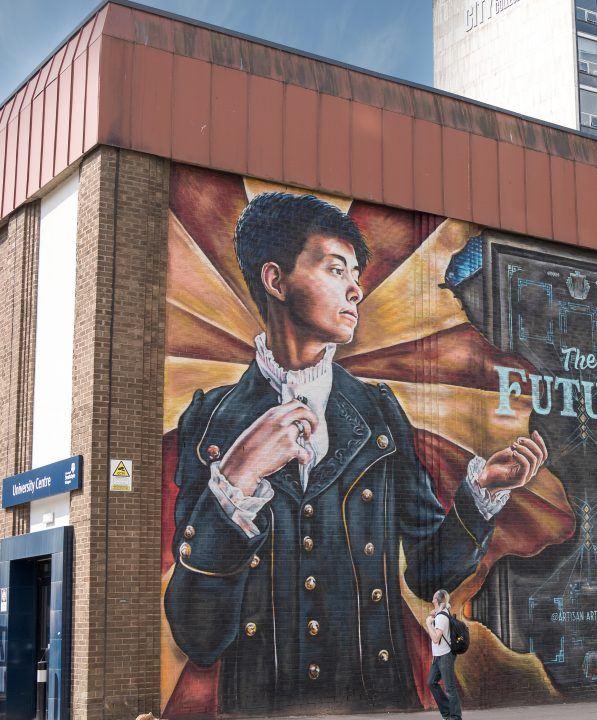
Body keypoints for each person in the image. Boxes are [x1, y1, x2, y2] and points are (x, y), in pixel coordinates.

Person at [163, 192, 549, 712]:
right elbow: (198, 636)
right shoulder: (211, 421)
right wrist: (234, 479)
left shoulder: (378, 413)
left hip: (376, 699)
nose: (355, 290)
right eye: (335, 269)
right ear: (275, 280)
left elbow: (428, 574)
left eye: (357, 276)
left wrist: (480, 493)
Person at [428, 589, 463, 719]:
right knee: (431, 682)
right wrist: (434, 614)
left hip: (445, 656)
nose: (432, 600)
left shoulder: (442, 616)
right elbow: (438, 611)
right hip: (438, 657)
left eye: (433, 599)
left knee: (449, 688)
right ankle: (447, 714)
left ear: (436, 600)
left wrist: (428, 624)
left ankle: (455, 717)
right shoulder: (441, 613)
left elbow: (436, 638)